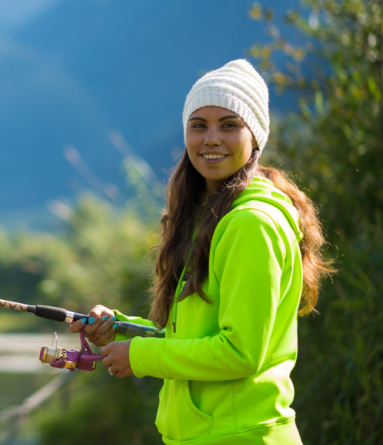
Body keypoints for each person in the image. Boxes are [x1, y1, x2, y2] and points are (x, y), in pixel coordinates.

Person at [70, 60, 333, 444]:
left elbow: (240, 353)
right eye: (199, 125)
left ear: (255, 136)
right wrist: (121, 330)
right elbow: (200, 339)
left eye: (229, 125)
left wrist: (140, 357)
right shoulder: (210, 218)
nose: (211, 138)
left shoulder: (250, 224)